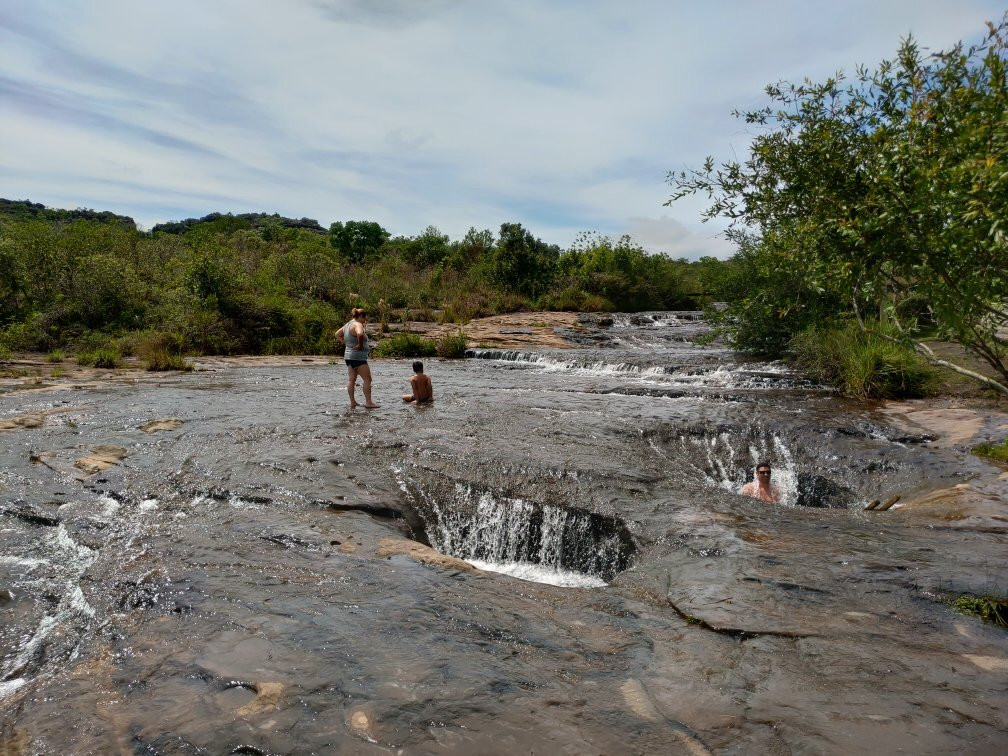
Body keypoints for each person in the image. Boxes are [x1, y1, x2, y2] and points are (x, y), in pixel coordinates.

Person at [337, 307, 379, 409]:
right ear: (360, 316)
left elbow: (337, 334)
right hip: (358, 357)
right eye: (364, 319)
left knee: (352, 380)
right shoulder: (357, 324)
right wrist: (360, 345)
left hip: (349, 356)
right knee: (367, 379)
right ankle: (369, 403)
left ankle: (353, 402)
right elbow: (360, 334)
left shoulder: (347, 325)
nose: (364, 321)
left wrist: (345, 343)